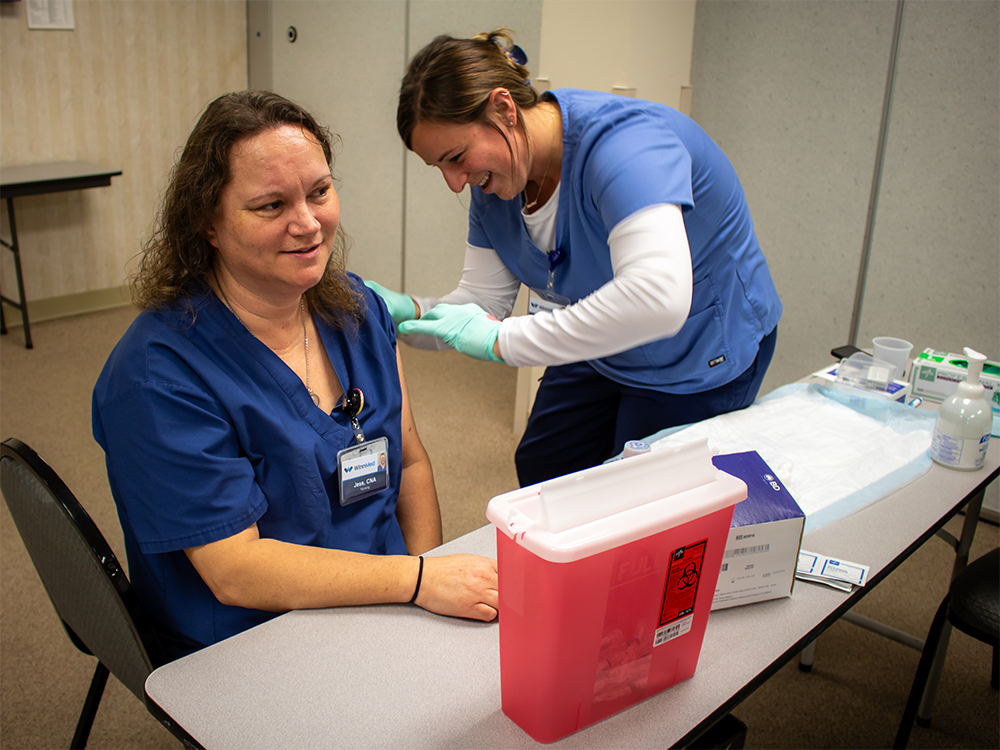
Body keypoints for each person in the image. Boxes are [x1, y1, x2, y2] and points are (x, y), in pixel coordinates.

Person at [92, 90, 498, 660]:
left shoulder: (356, 308)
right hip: (255, 635)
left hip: (390, 592)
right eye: (270, 206)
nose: (308, 224)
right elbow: (237, 572)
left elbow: (407, 460)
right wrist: (418, 585)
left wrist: (422, 585)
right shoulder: (158, 376)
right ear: (208, 222)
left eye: (319, 192)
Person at [366, 29, 783, 487]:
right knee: (546, 466)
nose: (454, 182)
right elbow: (482, 302)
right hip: (603, 338)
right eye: (439, 167)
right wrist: (409, 314)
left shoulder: (626, 148)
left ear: (504, 109)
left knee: (640, 496)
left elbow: (657, 299)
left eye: (457, 157)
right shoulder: (499, 184)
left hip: (696, 348)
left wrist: (501, 341)